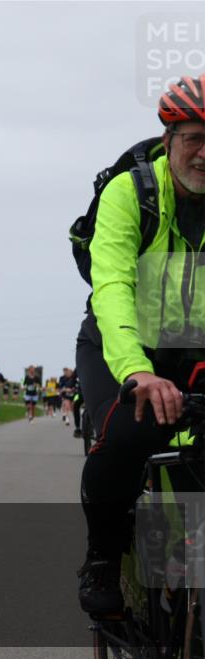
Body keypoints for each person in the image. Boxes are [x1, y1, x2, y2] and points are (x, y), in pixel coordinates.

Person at [77, 76, 205, 615]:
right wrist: (137, 372)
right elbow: (111, 287)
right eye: (196, 137)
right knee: (127, 435)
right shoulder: (131, 193)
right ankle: (104, 555)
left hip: (194, 354)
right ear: (170, 138)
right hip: (122, 348)